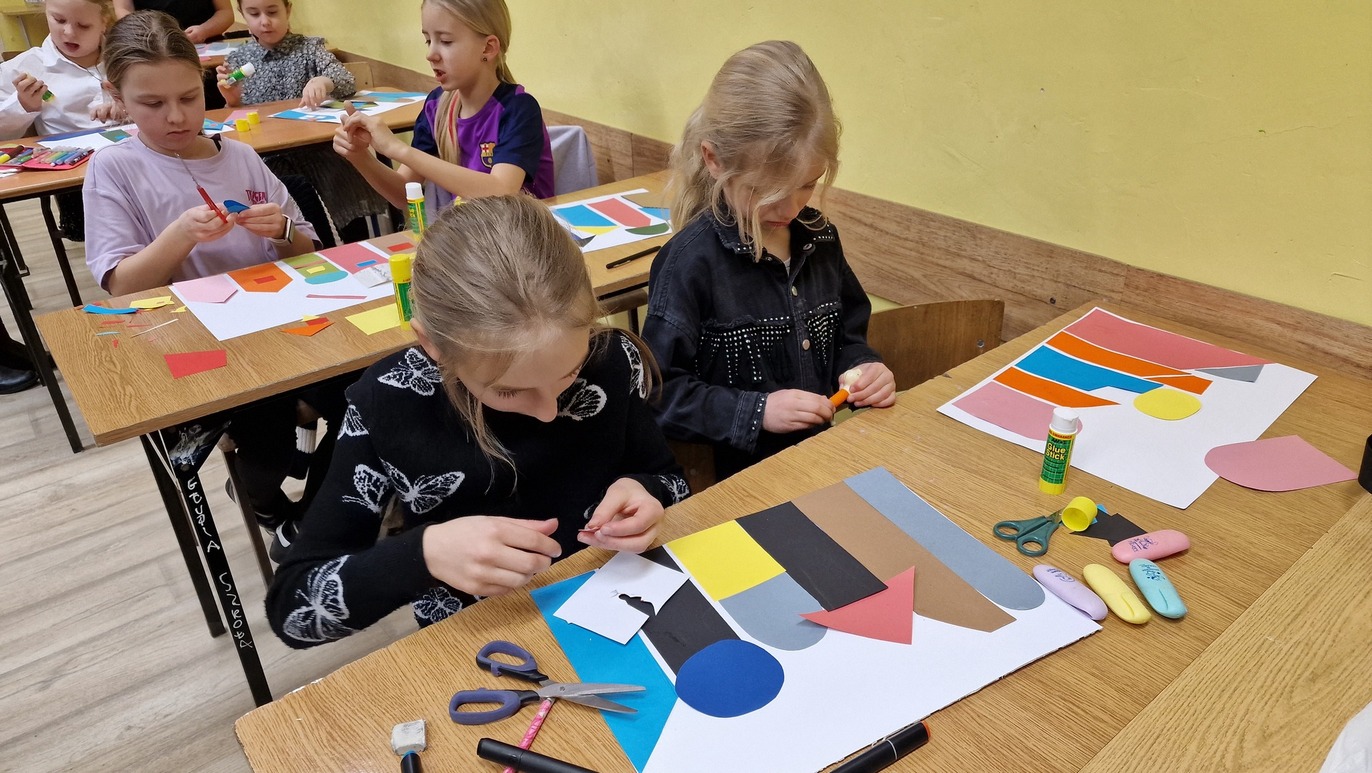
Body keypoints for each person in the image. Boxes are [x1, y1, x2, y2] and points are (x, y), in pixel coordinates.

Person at [266, 195, 689, 648]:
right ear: (433, 345)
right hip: (486, 640)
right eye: (508, 391)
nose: (549, 411)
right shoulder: (387, 402)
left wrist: (645, 492)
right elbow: (292, 610)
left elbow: (669, 479)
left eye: (570, 374)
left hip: (617, 608)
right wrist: (423, 555)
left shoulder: (611, 359)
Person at [84, 10, 341, 543]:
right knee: (267, 436)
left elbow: (307, 246)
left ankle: (314, 518)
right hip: (200, 344)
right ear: (117, 96)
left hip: (283, 323)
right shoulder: (114, 168)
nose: (176, 117)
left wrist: (282, 229)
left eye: (188, 97)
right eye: (152, 104)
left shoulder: (240, 156)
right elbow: (121, 286)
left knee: (368, 397)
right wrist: (179, 235)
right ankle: (267, 502)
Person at [641, 40, 897, 481]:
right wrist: (757, 411)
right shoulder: (688, 263)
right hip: (736, 487)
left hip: (821, 467)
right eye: (766, 191)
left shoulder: (821, 239)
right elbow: (659, 395)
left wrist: (863, 368)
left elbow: (847, 338)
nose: (791, 208)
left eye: (807, 185)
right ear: (713, 159)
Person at [333, 0, 553, 216]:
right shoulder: (436, 107)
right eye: (428, 41)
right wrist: (360, 157)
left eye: (446, 41)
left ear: (488, 48)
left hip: (521, 234)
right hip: (472, 234)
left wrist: (398, 149)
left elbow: (502, 192)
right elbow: (404, 194)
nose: (431, 54)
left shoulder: (519, 109)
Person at [218, 0, 386, 244]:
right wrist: (232, 100)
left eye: (273, 12)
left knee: (342, 193)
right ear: (242, 14)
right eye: (254, 14)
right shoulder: (239, 60)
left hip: (319, 154)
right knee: (288, 210)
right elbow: (232, 119)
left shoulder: (309, 49)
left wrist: (323, 82)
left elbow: (345, 79)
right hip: (271, 160)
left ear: (288, 10)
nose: (265, 21)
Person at [0, 0, 123, 242]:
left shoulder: (127, 55)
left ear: (104, 22)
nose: (68, 32)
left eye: (83, 25)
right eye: (58, 20)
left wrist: (130, 106)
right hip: (76, 181)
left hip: (136, 161)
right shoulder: (25, 67)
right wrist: (23, 106)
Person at [113, 0, 232, 43]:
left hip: (204, 46)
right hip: (151, 45)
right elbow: (123, 10)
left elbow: (226, 13)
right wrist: (146, 34)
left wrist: (204, 31)